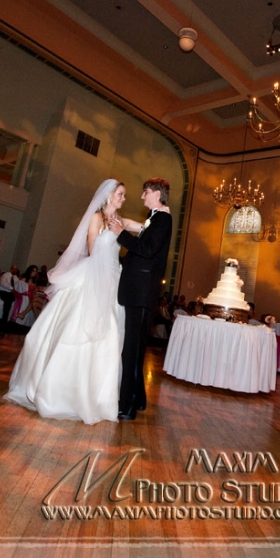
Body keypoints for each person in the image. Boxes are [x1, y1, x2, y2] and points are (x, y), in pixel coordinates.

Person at [4, 179, 142, 423]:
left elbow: (142, 228)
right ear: (109, 196)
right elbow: (91, 250)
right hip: (94, 277)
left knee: (109, 335)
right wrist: (108, 243)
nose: (123, 198)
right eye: (120, 194)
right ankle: (62, 393)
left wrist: (160, 215)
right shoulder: (97, 219)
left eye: (123, 195)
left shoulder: (120, 221)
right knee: (75, 329)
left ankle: (98, 396)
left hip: (113, 281)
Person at [109, 177, 172, 420]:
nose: (142, 196)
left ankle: (127, 406)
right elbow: (139, 256)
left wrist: (121, 233)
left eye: (145, 192)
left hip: (142, 292)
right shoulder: (154, 218)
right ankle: (139, 398)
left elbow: (147, 251)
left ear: (157, 193)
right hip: (137, 290)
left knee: (132, 352)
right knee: (134, 350)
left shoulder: (163, 219)